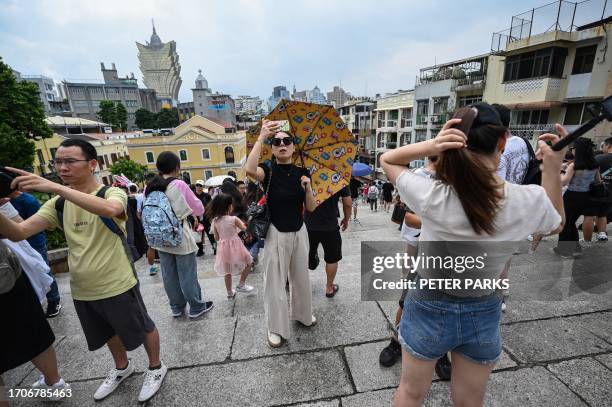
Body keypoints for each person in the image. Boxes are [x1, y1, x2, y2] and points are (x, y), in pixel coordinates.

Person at [380, 103, 565, 407]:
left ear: (452, 143)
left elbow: (387, 159)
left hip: (429, 300)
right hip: (483, 306)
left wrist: (432, 145)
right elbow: (557, 222)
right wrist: (553, 168)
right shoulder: (526, 200)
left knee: (411, 393)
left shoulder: (431, 195)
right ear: (503, 142)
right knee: (470, 400)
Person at [0, 139, 167, 402]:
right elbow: (19, 232)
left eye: (70, 161)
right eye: (59, 162)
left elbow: (113, 210)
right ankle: (122, 368)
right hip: (82, 287)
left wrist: (56, 187)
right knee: (107, 331)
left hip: (117, 280)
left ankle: (156, 367)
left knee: (142, 325)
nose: (62, 168)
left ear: (92, 164)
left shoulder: (111, 192)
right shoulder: (58, 203)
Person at [245, 119, 317, 348]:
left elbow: (312, 207)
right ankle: (275, 327)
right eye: (277, 142)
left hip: (299, 231)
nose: (282, 144)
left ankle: (304, 314)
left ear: (294, 147)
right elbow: (248, 170)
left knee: (301, 279)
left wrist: (308, 187)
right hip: (276, 231)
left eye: (287, 141)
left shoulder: (302, 172)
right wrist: (262, 136)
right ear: (272, 147)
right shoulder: (268, 169)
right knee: (274, 283)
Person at [144, 151, 214, 319]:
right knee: (187, 273)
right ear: (177, 167)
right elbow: (199, 209)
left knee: (168, 275)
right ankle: (196, 306)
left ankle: (176, 307)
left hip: (160, 238)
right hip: (179, 237)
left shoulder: (150, 186)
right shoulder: (179, 185)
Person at [0, 239, 71, 399]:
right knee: (31, 326)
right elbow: (15, 229)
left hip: (5, 276)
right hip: (6, 277)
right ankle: (54, 383)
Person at [492, 103, 530, 312]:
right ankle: (503, 292)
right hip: (517, 206)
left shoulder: (498, 147)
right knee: (505, 256)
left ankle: (497, 297)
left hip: (500, 209)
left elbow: (498, 185)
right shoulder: (522, 143)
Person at [9, 191, 61, 317]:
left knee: (43, 269)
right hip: (17, 243)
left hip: (34, 241)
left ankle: (54, 300)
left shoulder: (28, 201)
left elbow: (39, 225)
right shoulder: (8, 200)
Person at [554, 137, 601, 258]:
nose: (572, 150)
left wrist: (559, 172)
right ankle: (575, 249)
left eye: (573, 148)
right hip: (585, 197)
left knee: (565, 223)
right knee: (571, 222)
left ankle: (564, 251)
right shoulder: (595, 165)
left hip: (571, 196)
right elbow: (597, 181)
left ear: (578, 150)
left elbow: (564, 182)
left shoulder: (574, 165)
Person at [304, 186, 351, 297]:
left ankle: (298, 285)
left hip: (308, 225)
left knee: (302, 256)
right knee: (332, 258)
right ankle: (329, 288)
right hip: (330, 226)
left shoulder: (306, 175)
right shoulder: (339, 176)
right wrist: (346, 219)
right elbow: (348, 203)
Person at [206, 193, 254, 298]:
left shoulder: (215, 221)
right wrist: (249, 222)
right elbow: (245, 229)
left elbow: (216, 238)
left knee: (227, 271)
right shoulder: (233, 219)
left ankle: (229, 293)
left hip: (223, 248)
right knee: (249, 262)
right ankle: (241, 284)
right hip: (236, 246)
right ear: (228, 206)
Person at [583, 136, 612, 242]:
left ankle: (587, 240)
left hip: (594, 192)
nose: (602, 147)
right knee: (603, 214)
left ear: (608, 145)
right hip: (609, 194)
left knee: (589, 216)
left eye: (603, 145)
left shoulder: (599, 158)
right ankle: (602, 234)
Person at [193, 180, 215, 257]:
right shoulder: (192, 195)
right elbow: (190, 207)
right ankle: (200, 250)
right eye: (197, 185)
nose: (199, 187)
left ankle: (215, 248)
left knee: (211, 235)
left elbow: (211, 207)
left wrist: (211, 217)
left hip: (206, 218)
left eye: (200, 186)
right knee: (198, 236)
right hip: (197, 219)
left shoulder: (207, 196)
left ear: (203, 187)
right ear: (195, 186)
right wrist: (194, 218)